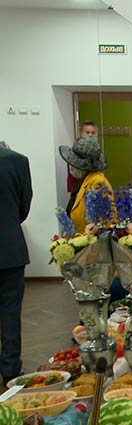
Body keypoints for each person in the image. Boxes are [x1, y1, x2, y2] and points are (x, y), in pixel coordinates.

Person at [0, 143, 31, 384]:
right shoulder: (17, 160)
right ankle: (10, 367)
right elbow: (23, 205)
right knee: (11, 310)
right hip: (9, 247)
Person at [59, 137, 112, 233]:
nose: (70, 167)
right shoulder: (82, 181)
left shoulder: (97, 181)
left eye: (73, 163)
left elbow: (105, 222)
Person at [67, 121, 98, 194]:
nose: (90, 135)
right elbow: (72, 176)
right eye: (87, 132)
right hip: (77, 190)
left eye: (93, 133)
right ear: (81, 134)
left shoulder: (98, 152)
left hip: (94, 190)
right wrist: (70, 193)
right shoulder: (75, 152)